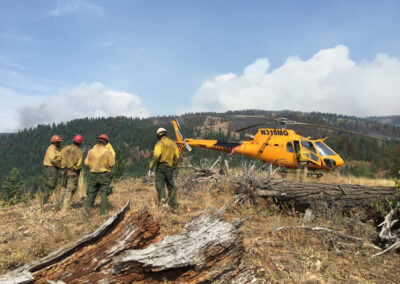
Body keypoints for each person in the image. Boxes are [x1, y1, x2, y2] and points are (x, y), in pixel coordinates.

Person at [148, 128, 180, 210]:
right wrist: (174, 167)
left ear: (158, 135)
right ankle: (174, 206)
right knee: (171, 186)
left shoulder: (159, 143)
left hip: (161, 168)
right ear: (166, 134)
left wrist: (151, 167)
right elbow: (177, 157)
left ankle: (163, 205)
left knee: (160, 185)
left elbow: (156, 156)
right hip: (170, 167)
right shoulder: (173, 143)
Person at [84, 134, 115, 215]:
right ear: (106, 143)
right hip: (104, 176)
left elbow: (86, 163)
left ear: (98, 141)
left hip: (93, 175)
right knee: (104, 193)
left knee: (91, 193)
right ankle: (102, 213)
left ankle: (87, 212)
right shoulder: (107, 152)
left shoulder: (90, 151)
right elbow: (111, 164)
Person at [59, 134, 83, 211]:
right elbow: (78, 165)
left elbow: (59, 158)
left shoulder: (65, 148)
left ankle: (59, 205)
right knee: (70, 189)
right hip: (72, 172)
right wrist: (76, 168)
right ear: (80, 143)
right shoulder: (79, 152)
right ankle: (64, 209)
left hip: (63, 171)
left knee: (64, 188)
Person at [42, 135, 63, 204]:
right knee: (50, 185)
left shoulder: (52, 148)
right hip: (51, 168)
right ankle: (45, 202)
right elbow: (52, 159)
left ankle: (47, 200)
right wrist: (59, 164)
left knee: (51, 184)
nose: (60, 143)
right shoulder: (52, 149)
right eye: (59, 142)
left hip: (51, 168)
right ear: (56, 142)